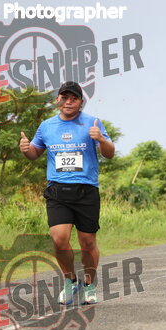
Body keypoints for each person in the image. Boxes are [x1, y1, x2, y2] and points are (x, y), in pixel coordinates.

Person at [20, 81, 114, 305]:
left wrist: (101, 139)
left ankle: (89, 285)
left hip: (86, 190)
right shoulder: (46, 126)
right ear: (57, 100)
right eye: (64, 97)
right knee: (59, 239)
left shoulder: (92, 122)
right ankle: (70, 281)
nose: (68, 102)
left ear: (81, 102)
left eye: (74, 98)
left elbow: (109, 153)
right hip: (57, 190)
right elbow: (34, 153)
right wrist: (26, 149)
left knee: (87, 242)